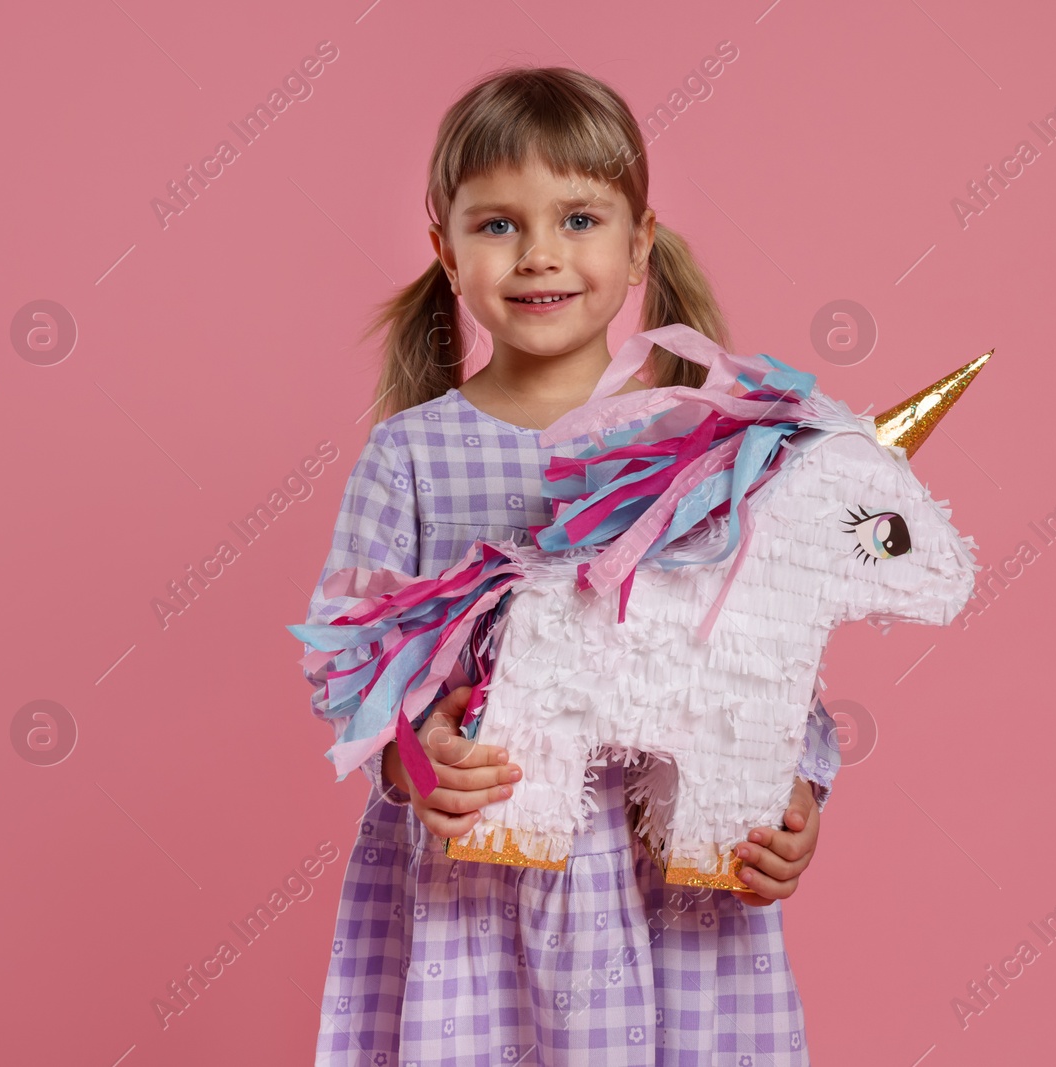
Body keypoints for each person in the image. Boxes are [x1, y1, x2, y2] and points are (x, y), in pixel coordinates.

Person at [300, 65, 840, 1065]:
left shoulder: (707, 450)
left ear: (638, 242)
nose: (540, 252)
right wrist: (414, 759)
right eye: (497, 223)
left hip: (671, 873)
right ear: (446, 251)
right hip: (483, 883)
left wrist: (794, 792)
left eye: (580, 218)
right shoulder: (411, 455)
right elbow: (350, 659)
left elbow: (768, 649)